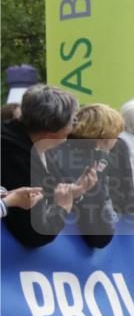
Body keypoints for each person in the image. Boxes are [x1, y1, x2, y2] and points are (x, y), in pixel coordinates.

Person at [1, 85, 96, 247]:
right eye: (72, 120)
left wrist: (74, 193)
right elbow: (34, 233)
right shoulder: (12, 153)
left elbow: (50, 192)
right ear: (53, 130)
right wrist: (62, 207)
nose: (74, 126)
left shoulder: (40, 147)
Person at [49, 103, 125, 248]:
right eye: (116, 136)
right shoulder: (90, 163)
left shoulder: (56, 151)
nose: (117, 142)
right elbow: (100, 234)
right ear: (105, 137)